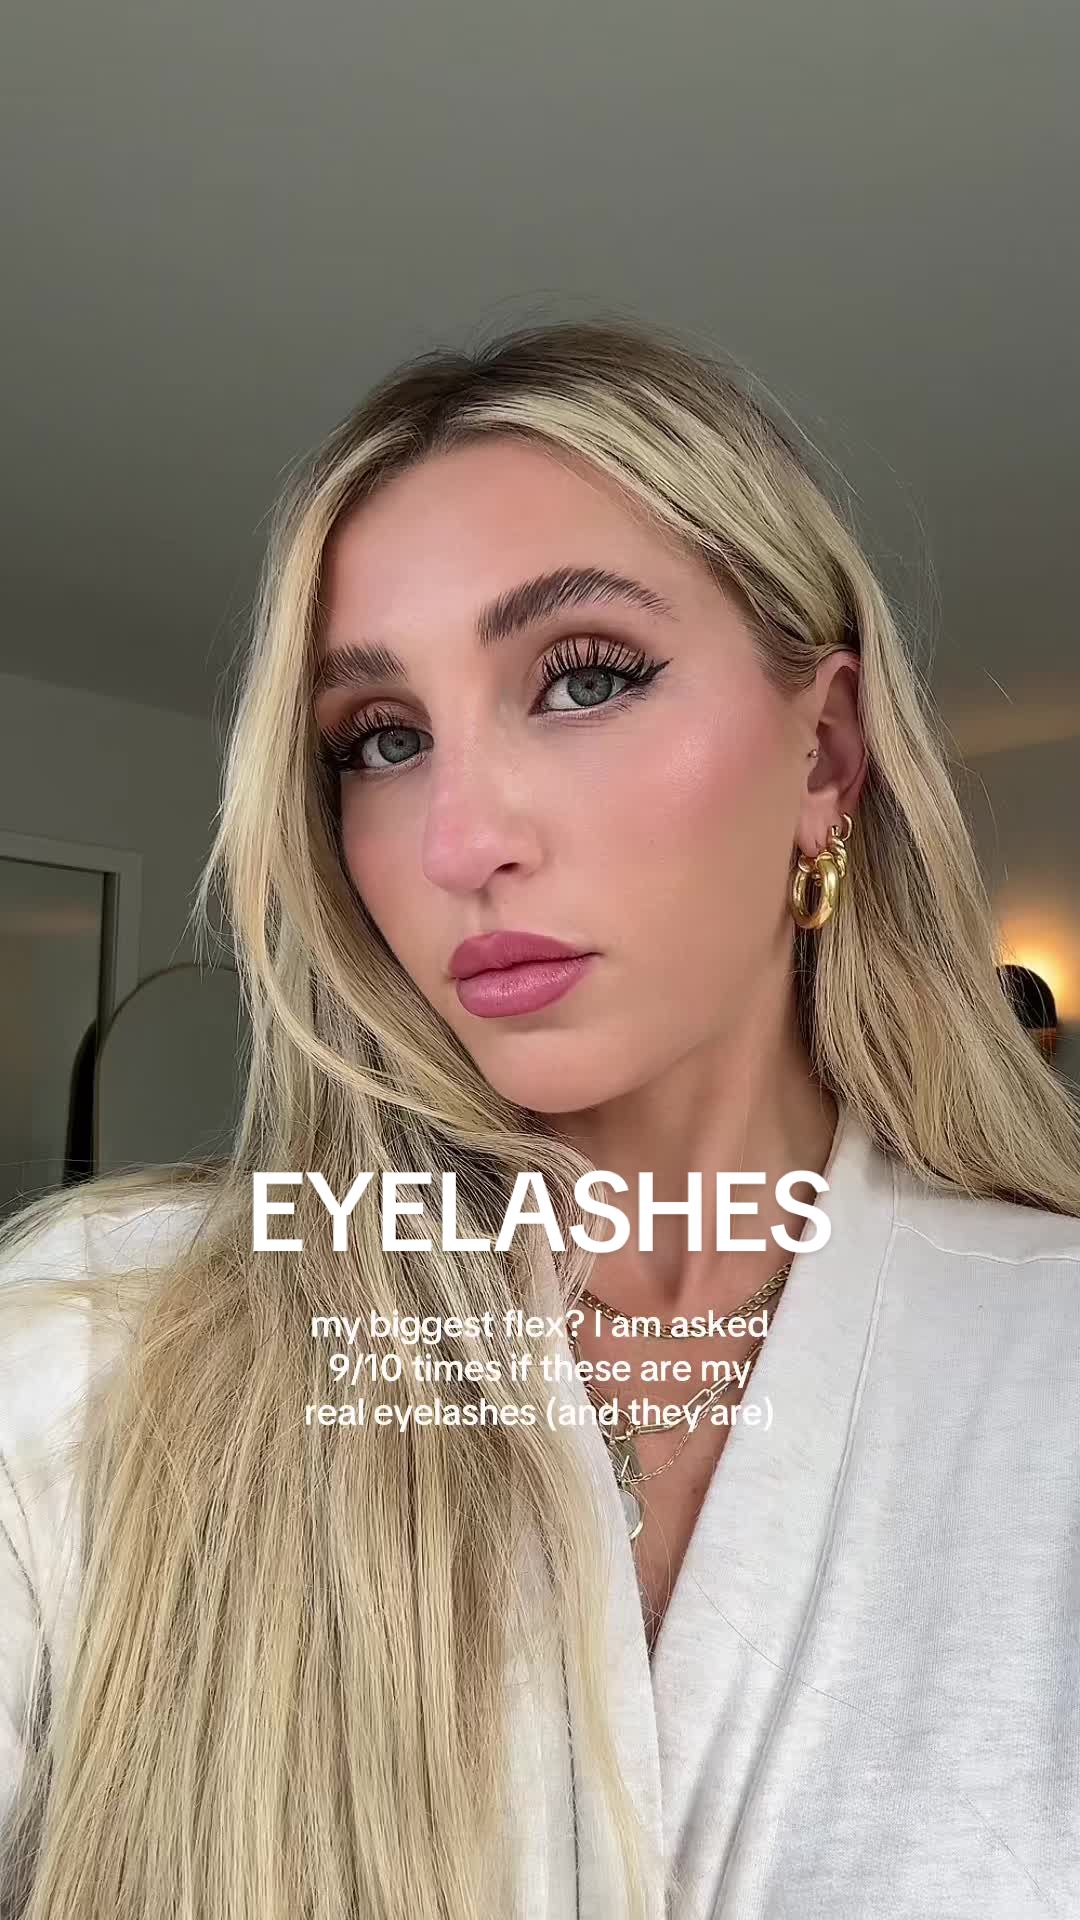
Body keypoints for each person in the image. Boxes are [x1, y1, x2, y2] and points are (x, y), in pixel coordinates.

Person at [1, 318, 1079, 1920]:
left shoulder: (1046, 1359)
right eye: (382, 740)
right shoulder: (100, 1348)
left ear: (825, 756)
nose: (461, 841)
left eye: (583, 677)